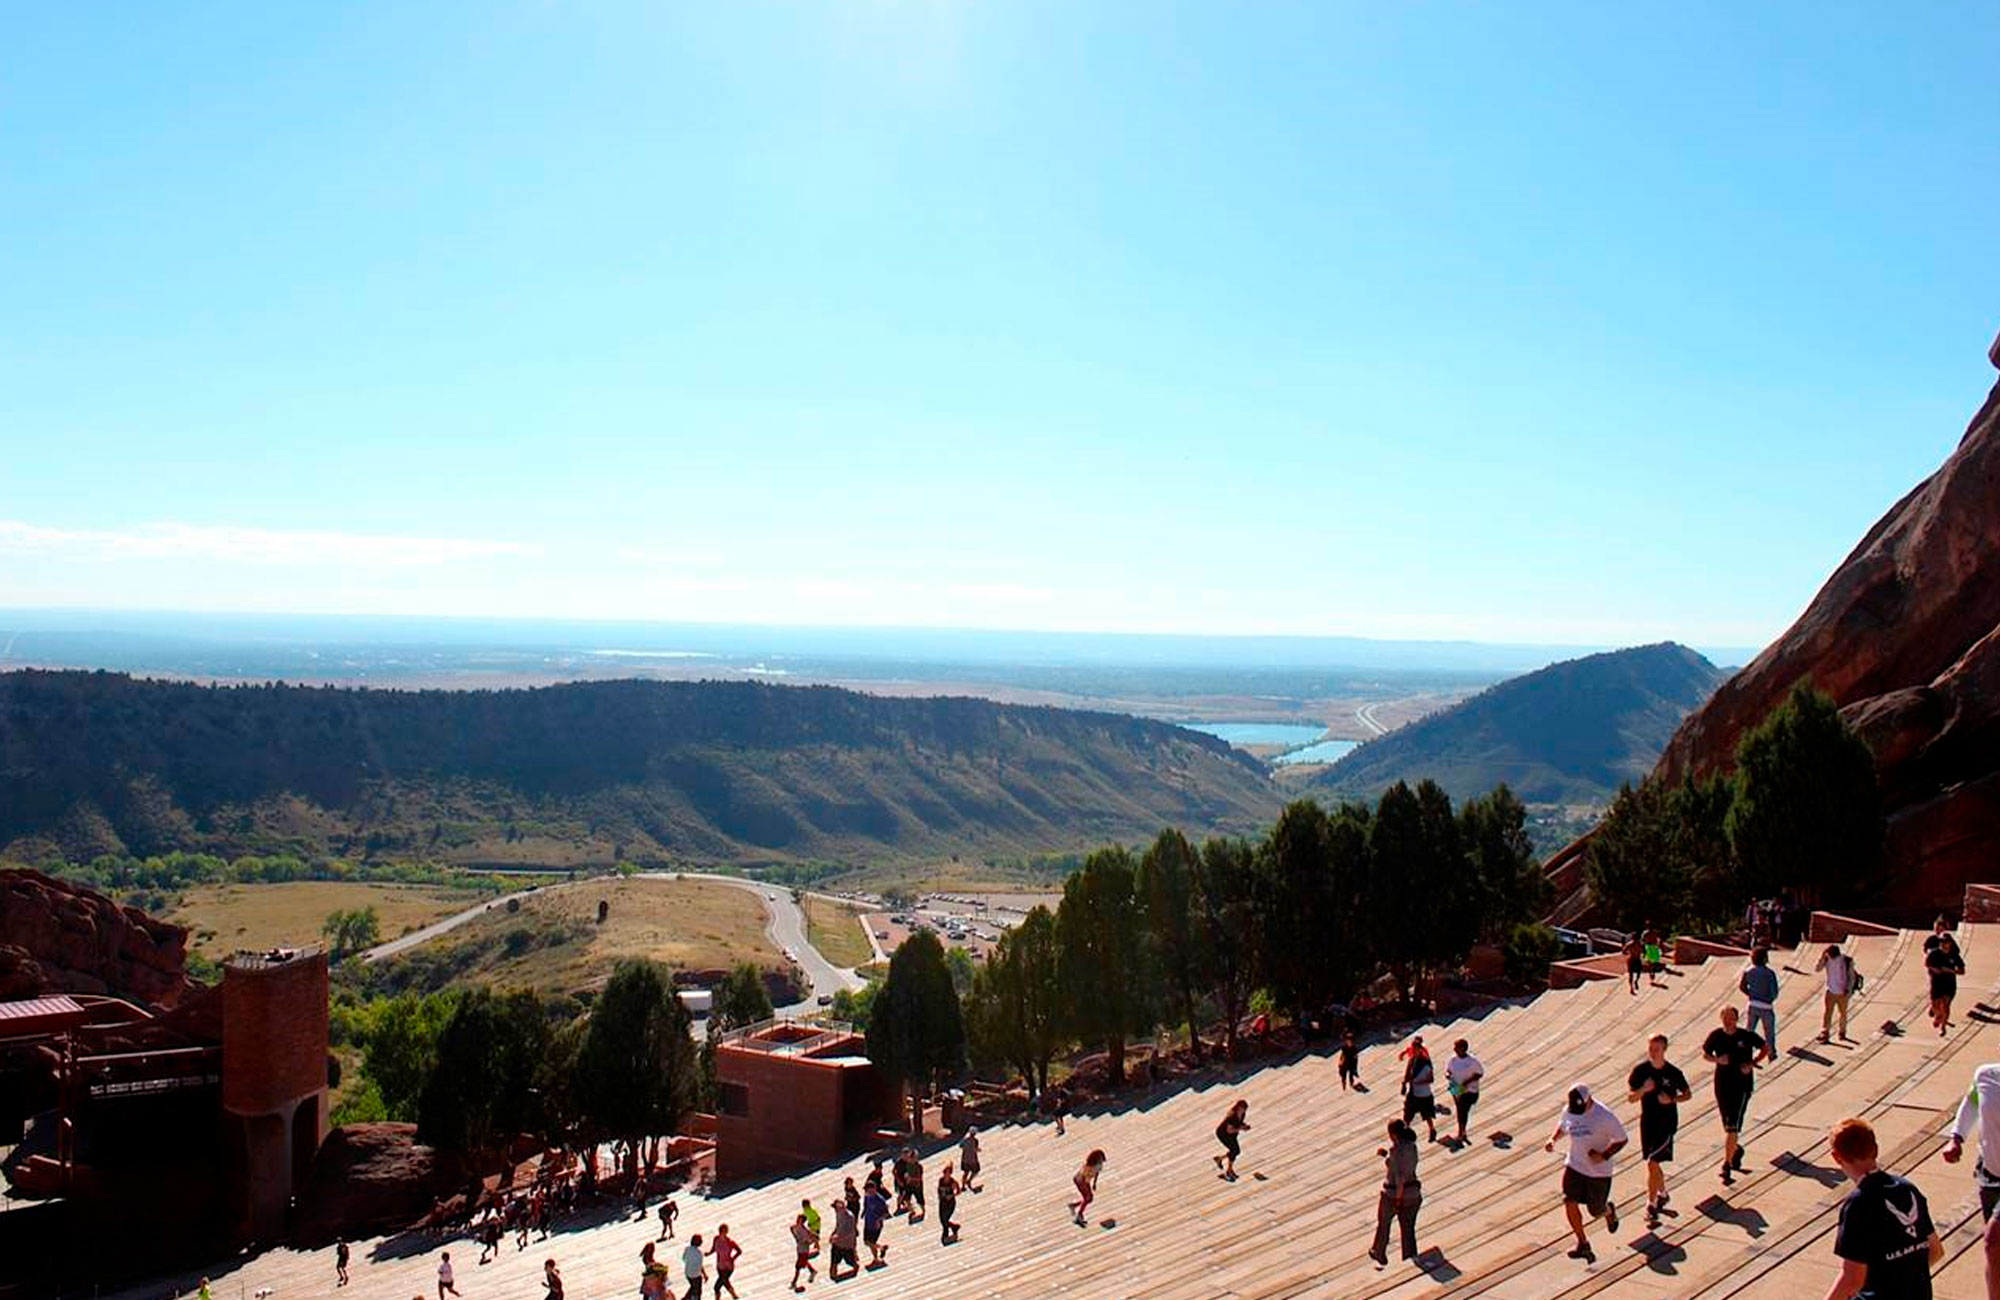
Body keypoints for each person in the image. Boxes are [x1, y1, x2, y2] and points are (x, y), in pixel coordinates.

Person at [1826, 1117, 1942, 1300]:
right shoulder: (1907, 1189)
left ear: (1836, 1157)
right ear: (1875, 1149)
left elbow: (1853, 1279)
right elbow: (1936, 1251)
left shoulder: (1858, 1204)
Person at [1545, 1084, 1627, 1264]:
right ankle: (1582, 1242)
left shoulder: (1604, 1116)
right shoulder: (1570, 1110)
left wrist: (1603, 1155)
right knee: (1569, 1201)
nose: (1578, 1112)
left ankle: (1608, 1211)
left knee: (1595, 1211)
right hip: (1575, 1165)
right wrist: (1553, 1139)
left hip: (1598, 1172)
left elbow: (1622, 1139)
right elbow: (1563, 1125)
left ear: (1589, 1099)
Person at [1627, 1033, 1693, 1227]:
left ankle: (1651, 1203)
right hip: (1647, 1121)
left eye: (1657, 1049)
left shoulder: (1673, 1072)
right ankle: (1662, 1192)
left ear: (1664, 1049)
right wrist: (1643, 1090)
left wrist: (1671, 1100)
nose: (1653, 1052)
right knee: (1652, 1162)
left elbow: (1687, 1094)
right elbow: (1630, 1098)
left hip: (1666, 1122)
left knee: (1653, 1162)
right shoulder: (1640, 1071)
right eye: (1650, 1048)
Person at [1703, 1005, 1770, 1186]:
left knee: (1733, 1125)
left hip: (1741, 1085)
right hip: (1722, 1085)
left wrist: (1752, 1063)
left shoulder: (1746, 1036)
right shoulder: (1716, 1036)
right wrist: (1717, 1060)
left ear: (1736, 1018)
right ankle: (1735, 1150)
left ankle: (1726, 1165)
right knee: (1727, 1126)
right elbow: (1705, 1054)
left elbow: (1765, 1047)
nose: (1728, 1020)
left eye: (1731, 1017)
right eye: (1724, 1016)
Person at [1942, 1062, 2000, 1220]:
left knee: (1992, 1240)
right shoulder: (1986, 1075)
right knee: (1993, 1238)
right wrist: (1956, 1138)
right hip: (1991, 1175)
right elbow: (1971, 1104)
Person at [1368, 1118, 1422, 1267]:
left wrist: (1398, 1199)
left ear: (1393, 1134)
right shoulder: (1412, 1147)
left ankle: (1379, 1252)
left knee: (1384, 1224)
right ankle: (1410, 1259)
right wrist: (1386, 1156)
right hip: (1414, 1194)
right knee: (1408, 1229)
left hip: (1393, 1194)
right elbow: (1401, 1165)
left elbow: (1399, 1177)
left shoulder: (1395, 1150)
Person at [1926, 920, 1966, 1036]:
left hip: (1949, 983)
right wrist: (1937, 970)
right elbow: (1928, 964)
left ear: (1950, 943)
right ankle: (1938, 1014)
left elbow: (1962, 971)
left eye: (1946, 942)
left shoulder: (1954, 955)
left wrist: (1950, 971)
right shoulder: (1934, 953)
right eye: (1941, 942)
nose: (1943, 944)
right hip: (1936, 982)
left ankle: (1943, 1027)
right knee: (1935, 1004)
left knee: (1946, 1004)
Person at [1740, 947, 1781, 1055]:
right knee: (1769, 1032)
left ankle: (1745, 1051)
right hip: (1766, 1006)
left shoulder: (1748, 971)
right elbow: (1774, 991)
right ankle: (1771, 1052)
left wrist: (1750, 994)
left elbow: (1742, 986)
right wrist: (1770, 999)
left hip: (1752, 1004)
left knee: (1749, 1030)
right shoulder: (1769, 973)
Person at [1816, 944, 1859, 1044]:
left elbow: (1851, 976)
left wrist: (1848, 990)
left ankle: (1842, 1032)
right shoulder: (1827, 960)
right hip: (1830, 990)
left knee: (1842, 1013)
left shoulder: (1846, 960)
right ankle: (1825, 1032)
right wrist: (1822, 956)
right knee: (1827, 1013)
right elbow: (1817, 969)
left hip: (1843, 992)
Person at [1445, 1039, 1485, 1145]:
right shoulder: (1453, 1060)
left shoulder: (1472, 1061)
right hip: (1456, 1088)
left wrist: (1467, 1082)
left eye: (1456, 1047)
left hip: (1469, 1090)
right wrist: (1448, 1075)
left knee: (1463, 1109)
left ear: (1463, 1048)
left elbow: (1479, 1073)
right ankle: (1462, 1132)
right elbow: (1448, 1070)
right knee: (1459, 1110)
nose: (1454, 1049)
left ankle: (1461, 1132)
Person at [1401, 1038, 1438, 1142]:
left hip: (1424, 1093)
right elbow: (1407, 1074)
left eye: (1416, 1049)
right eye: (1413, 1049)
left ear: (1420, 1049)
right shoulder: (1412, 1061)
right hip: (1413, 1092)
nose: (1414, 1051)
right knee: (1408, 1112)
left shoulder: (1426, 1062)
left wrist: (1419, 1082)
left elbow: (1431, 1079)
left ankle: (1432, 1130)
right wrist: (1404, 1083)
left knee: (1427, 1114)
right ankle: (1406, 1130)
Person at [1214, 1099, 1251, 1180]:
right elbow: (1229, 1130)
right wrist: (1241, 1128)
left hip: (1232, 1135)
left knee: (1235, 1151)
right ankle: (1229, 1170)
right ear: (1238, 1107)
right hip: (1223, 1134)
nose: (1244, 1110)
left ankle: (1220, 1159)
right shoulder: (1232, 1116)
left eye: (1245, 1109)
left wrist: (1244, 1126)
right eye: (1243, 1108)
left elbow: (1238, 1124)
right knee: (1235, 1150)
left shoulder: (1242, 1114)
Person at [828, 1190, 860, 1281]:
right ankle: (833, 1276)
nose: (835, 1209)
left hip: (846, 1244)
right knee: (834, 1261)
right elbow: (838, 1226)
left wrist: (837, 1237)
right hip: (837, 1243)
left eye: (836, 1208)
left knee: (850, 1261)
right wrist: (833, 1234)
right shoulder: (839, 1214)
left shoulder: (849, 1217)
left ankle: (855, 1266)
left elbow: (849, 1232)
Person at [1069, 1149, 1106, 1227]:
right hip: (1081, 1181)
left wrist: (1094, 1183)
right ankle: (1079, 1215)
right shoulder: (1088, 1166)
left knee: (1089, 1198)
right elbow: (1082, 1176)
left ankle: (1074, 1206)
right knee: (1087, 1198)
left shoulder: (1097, 1165)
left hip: (1085, 1181)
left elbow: (1097, 1173)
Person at [862, 1179, 890, 1267]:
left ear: (874, 1189)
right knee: (868, 1242)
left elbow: (886, 1213)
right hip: (868, 1222)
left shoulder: (880, 1200)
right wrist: (863, 1213)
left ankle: (879, 1250)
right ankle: (876, 1257)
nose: (868, 1192)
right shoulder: (867, 1197)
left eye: (870, 1190)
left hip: (875, 1225)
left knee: (869, 1242)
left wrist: (879, 1220)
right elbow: (865, 1205)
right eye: (867, 1190)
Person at [709, 1224, 741, 1300]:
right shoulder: (716, 1239)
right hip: (719, 1266)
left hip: (728, 1267)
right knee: (725, 1281)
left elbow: (739, 1251)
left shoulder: (730, 1242)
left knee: (717, 1286)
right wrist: (708, 1253)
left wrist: (732, 1259)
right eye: (720, 1230)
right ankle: (734, 1295)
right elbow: (714, 1248)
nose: (721, 1232)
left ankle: (720, 1298)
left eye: (723, 1231)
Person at [789, 1213, 818, 1292]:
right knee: (803, 1261)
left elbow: (808, 1240)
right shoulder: (798, 1227)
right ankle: (812, 1271)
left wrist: (811, 1241)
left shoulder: (803, 1231)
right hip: (800, 1249)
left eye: (799, 1219)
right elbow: (792, 1229)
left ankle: (794, 1282)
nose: (797, 1220)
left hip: (803, 1250)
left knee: (798, 1267)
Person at [937, 1163, 961, 1244]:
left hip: (950, 1203)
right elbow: (939, 1189)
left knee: (945, 1220)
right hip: (942, 1202)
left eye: (947, 1172)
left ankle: (945, 1235)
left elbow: (958, 1191)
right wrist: (940, 1196)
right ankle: (954, 1228)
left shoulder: (952, 1182)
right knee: (942, 1219)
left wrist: (951, 1195)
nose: (945, 1174)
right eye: (944, 1172)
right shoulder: (941, 1180)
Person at [681, 1235, 707, 1300]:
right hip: (696, 1275)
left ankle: (686, 1298)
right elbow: (700, 1266)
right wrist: (705, 1275)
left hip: (688, 1273)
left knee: (693, 1287)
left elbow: (683, 1259)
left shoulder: (687, 1249)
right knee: (697, 1291)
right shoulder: (699, 1253)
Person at [960, 1127, 983, 1192]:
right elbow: (975, 1148)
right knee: (976, 1170)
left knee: (965, 1173)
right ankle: (969, 1180)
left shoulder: (965, 1139)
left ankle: (963, 1186)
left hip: (965, 1158)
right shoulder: (975, 1141)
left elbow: (960, 1146)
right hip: (973, 1159)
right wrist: (978, 1150)